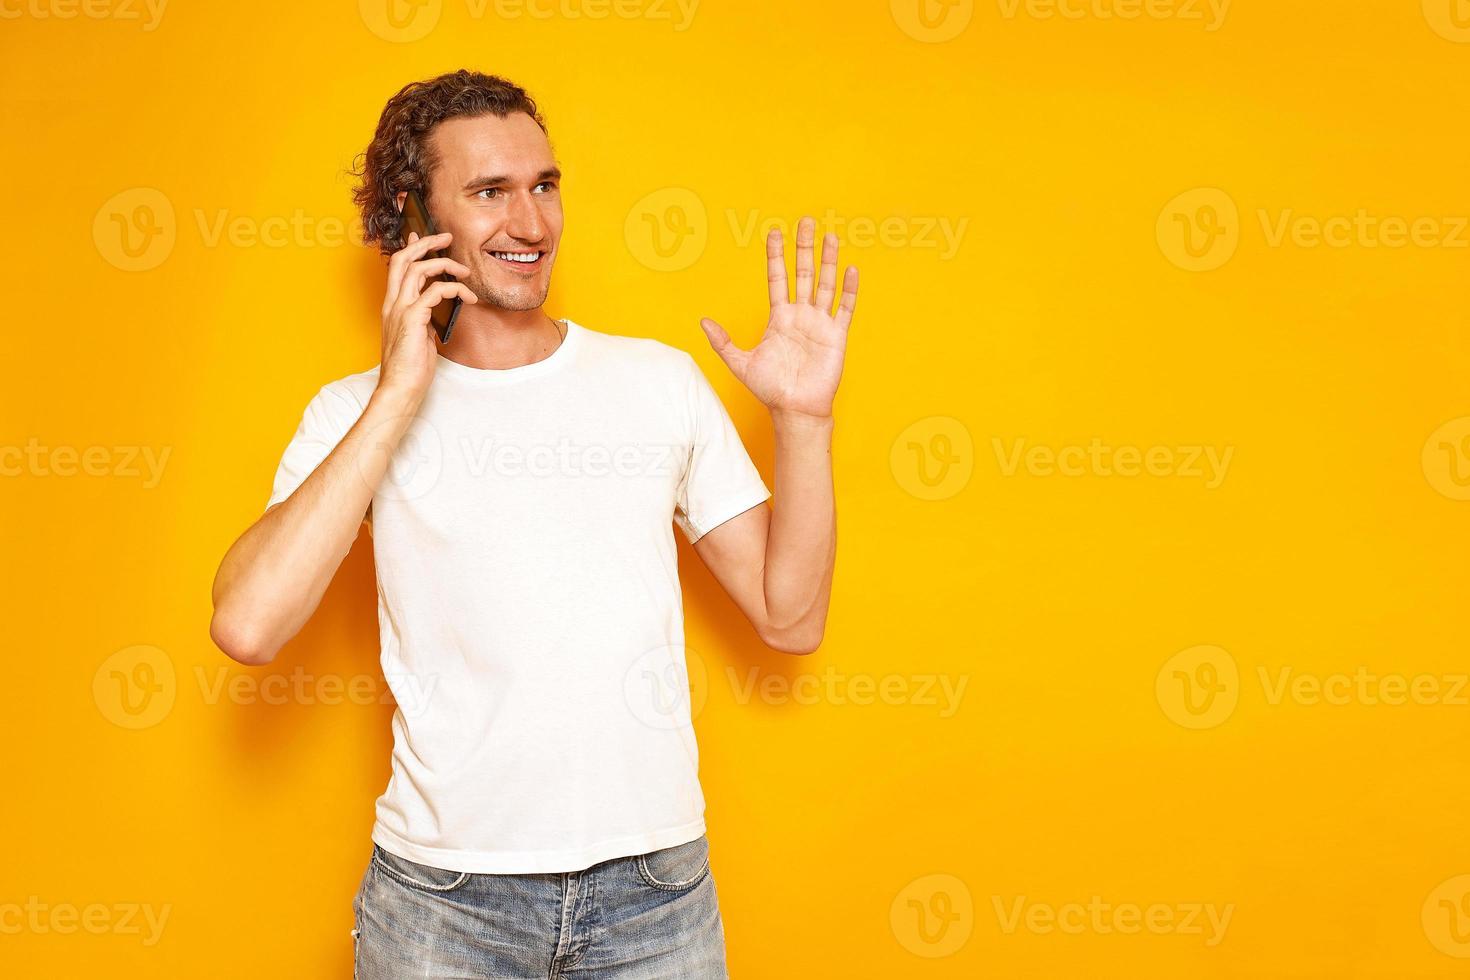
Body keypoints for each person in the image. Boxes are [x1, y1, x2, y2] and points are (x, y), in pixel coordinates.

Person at [208, 68, 858, 978]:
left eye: (544, 186)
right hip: (443, 909)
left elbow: (791, 619)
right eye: (489, 193)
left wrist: (804, 422)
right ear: (414, 216)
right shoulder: (351, 413)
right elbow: (247, 624)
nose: (532, 223)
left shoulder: (657, 383)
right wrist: (401, 391)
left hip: (655, 897)